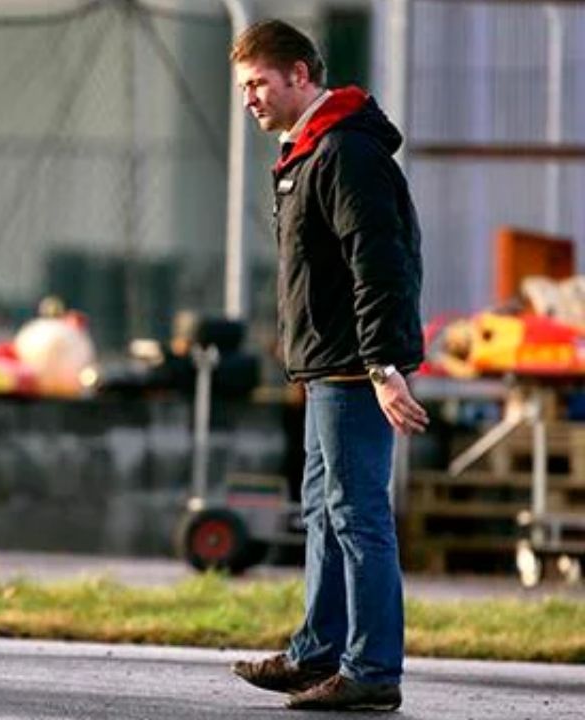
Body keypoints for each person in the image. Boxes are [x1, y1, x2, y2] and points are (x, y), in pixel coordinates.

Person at [226, 20, 428, 712]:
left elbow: (380, 263)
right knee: (322, 510)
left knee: (357, 515)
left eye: (259, 82)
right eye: (245, 85)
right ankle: (318, 652)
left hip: (352, 369)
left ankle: (372, 670)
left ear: (301, 77)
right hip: (327, 367)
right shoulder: (308, 153)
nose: (249, 98)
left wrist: (383, 364)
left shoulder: (345, 152)